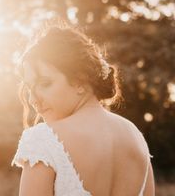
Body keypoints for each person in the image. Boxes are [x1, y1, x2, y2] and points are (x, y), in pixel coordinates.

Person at [11, 24, 155, 196]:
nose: (33, 99)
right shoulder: (135, 137)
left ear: (80, 80)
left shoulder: (43, 139)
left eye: (45, 83)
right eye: (29, 88)